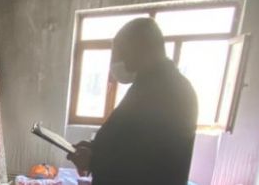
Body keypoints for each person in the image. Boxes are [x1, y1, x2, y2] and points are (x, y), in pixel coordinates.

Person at [68, 18, 198, 185]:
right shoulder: (152, 85)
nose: (116, 61)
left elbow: (144, 163)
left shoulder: (165, 92)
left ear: (140, 49)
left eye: (119, 53)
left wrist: (93, 160)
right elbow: (128, 139)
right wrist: (95, 147)